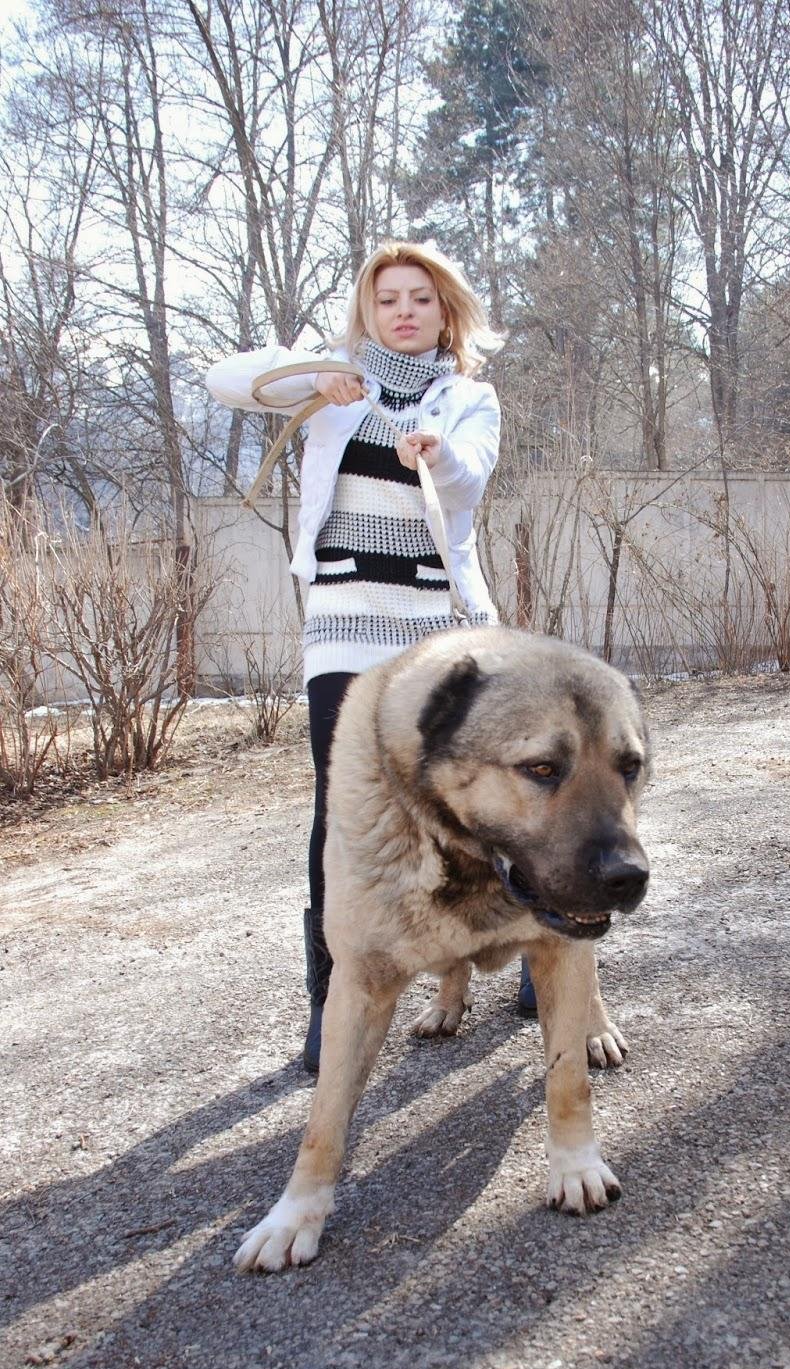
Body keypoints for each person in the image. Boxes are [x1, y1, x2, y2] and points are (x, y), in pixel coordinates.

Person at [205, 239, 537, 1072]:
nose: (403, 311)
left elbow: (468, 483)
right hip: (344, 626)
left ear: (444, 312)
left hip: (438, 623)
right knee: (342, 818)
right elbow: (227, 379)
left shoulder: (469, 398)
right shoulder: (330, 388)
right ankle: (331, 1003)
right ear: (367, 310)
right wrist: (315, 379)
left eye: (420, 298)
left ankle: (540, 941)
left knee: (482, 799)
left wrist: (437, 451)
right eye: (388, 297)